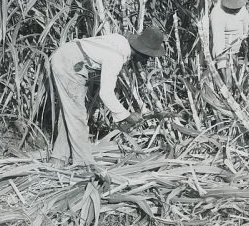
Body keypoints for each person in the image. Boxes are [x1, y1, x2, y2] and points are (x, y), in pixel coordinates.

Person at [49, 27, 166, 169]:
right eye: (147, 56)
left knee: (70, 113)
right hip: (70, 62)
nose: (146, 61)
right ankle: (84, 164)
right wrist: (126, 116)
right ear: (141, 51)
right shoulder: (116, 56)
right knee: (77, 116)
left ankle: (58, 159)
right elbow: (105, 93)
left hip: (70, 58)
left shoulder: (120, 41)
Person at [210, 0, 249, 85]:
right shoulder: (218, 15)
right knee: (228, 83)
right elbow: (219, 45)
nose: (237, 10)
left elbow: (247, 24)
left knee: (242, 82)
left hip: (240, 51)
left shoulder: (240, 7)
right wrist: (224, 72)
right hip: (225, 56)